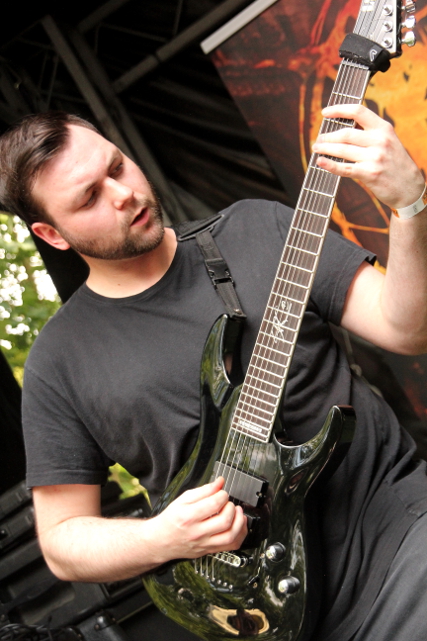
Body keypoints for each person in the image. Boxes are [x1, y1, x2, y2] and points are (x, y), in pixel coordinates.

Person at [0, 104, 426, 641]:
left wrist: (410, 203)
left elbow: (407, 328)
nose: (123, 193)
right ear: (52, 234)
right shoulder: (59, 361)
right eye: (88, 198)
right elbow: (63, 542)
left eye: (117, 166)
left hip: (403, 541)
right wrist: (162, 537)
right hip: (263, 616)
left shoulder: (257, 229)